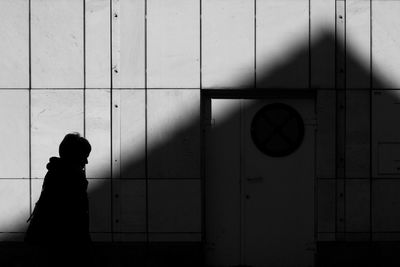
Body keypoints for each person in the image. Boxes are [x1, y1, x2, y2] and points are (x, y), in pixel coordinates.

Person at [25, 133, 93, 266]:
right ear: (75, 156)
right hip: (64, 246)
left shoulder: (56, 173)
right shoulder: (72, 179)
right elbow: (75, 218)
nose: (86, 162)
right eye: (84, 156)